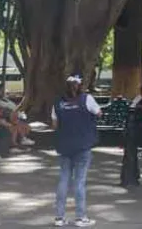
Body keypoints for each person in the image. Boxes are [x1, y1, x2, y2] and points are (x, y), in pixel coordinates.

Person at [52, 73, 102, 227]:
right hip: (82, 146)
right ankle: (80, 218)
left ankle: (59, 218)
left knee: (63, 180)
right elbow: (99, 113)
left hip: (64, 146)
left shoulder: (57, 102)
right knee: (79, 182)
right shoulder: (87, 99)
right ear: (80, 85)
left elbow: (54, 125)